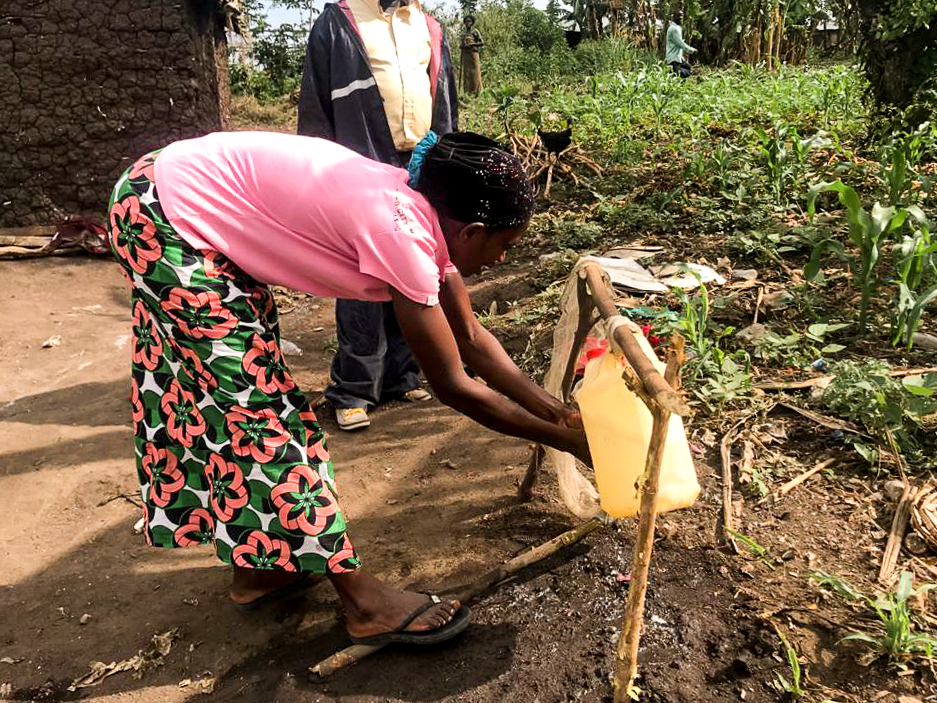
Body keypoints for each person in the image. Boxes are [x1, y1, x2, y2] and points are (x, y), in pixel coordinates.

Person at [107, 129, 591, 646]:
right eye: (506, 246)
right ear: (472, 231)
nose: (502, 261)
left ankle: (261, 567)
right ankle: (364, 602)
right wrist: (577, 445)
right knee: (256, 412)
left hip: (178, 192)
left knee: (228, 396)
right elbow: (454, 385)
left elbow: (471, 338)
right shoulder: (400, 232)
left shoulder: (427, 216)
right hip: (163, 212)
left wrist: (556, 412)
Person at [297, 0, 459, 432]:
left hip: (418, 165)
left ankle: (400, 377)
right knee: (362, 277)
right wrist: (315, 178)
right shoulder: (338, 23)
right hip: (359, 166)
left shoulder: (428, 26)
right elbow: (315, 108)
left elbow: (444, 102)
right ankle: (353, 389)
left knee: (413, 270)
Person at [666, 11, 696, 79]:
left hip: (677, 57)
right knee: (676, 78)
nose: (681, 18)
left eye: (682, 16)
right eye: (679, 16)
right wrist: (691, 50)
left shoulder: (676, 27)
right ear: (673, 17)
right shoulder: (674, 29)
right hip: (674, 58)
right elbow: (680, 43)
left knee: (687, 68)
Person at [459, 16, 484, 96]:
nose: (468, 23)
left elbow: (481, 43)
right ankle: (468, 94)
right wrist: (462, 46)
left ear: (472, 22)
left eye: (469, 21)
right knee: (467, 74)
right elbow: (461, 45)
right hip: (466, 56)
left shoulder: (475, 32)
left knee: (475, 74)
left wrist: (473, 44)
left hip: (474, 55)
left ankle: (477, 93)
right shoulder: (463, 33)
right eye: (466, 22)